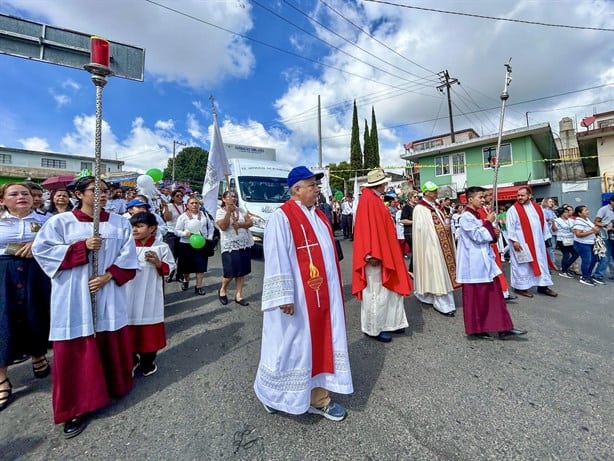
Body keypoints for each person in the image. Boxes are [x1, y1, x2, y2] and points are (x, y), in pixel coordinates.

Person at [32, 176, 138, 438]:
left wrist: (109, 276)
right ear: (79, 194)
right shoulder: (60, 222)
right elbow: (42, 250)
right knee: (77, 345)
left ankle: (114, 386)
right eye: (95, 190)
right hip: (73, 294)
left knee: (109, 336)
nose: (102, 195)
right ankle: (77, 406)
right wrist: (81, 247)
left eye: (106, 191)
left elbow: (129, 254)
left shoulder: (119, 222)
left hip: (108, 290)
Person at [254, 166, 352, 422]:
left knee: (319, 345)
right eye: (312, 185)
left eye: (317, 185)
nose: (317, 189)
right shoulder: (282, 217)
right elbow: (275, 257)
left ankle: (319, 398)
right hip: (295, 299)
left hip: (321, 298)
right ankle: (272, 394)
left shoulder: (319, 216)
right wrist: (283, 295)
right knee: (289, 348)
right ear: (297, 189)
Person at [0, 183, 52, 411]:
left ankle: (38, 355)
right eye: (14, 194)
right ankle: (2, 376)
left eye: (26, 193)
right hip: (4, 274)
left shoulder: (48, 221)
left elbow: (58, 242)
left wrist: (37, 244)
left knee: (36, 314)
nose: (22, 197)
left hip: (38, 272)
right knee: (3, 321)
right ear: (2, 200)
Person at [456, 186, 527, 340]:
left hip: (484, 262)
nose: (483, 200)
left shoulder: (477, 216)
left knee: (495, 296)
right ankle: (477, 329)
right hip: (473, 264)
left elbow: (486, 234)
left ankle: (503, 327)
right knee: (476, 299)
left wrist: (493, 231)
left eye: (484, 197)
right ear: (470, 199)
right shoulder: (465, 217)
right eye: (480, 197)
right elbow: (477, 236)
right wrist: (488, 224)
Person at [352, 168, 411, 343]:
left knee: (389, 291)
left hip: (385, 251)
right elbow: (364, 230)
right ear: (379, 184)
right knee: (375, 291)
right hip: (375, 255)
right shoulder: (368, 200)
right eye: (384, 182)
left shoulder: (375, 199)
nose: (386, 185)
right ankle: (373, 328)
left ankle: (391, 323)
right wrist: (370, 253)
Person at [126, 212, 175, 377]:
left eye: (139, 226)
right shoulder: (126, 246)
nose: (135, 230)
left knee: (149, 331)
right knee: (127, 329)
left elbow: (171, 268)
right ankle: (131, 360)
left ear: (152, 228)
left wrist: (158, 263)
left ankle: (148, 361)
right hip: (128, 295)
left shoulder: (161, 247)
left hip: (150, 296)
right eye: (133, 226)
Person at [412, 181, 459, 316]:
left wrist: (446, 227)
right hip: (431, 246)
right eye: (432, 191)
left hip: (442, 244)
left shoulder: (436, 206)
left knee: (442, 272)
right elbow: (421, 230)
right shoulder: (420, 209)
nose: (435, 193)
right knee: (437, 272)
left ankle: (443, 300)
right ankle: (442, 304)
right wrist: (439, 230)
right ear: (425, 192)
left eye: (436, 190)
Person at [505, 186, 557, 298]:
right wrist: (514, 241)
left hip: (538, 243)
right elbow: (510, 227)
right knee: (523, 266)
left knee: (541, 263)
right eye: (518, 195)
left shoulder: (537, 208)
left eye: (522, 195)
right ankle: (520, 287)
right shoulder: (513, 210)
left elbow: (543, 224)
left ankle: (543, 286)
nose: (519, 197)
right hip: (521, 243)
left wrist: (545, 238)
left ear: (529, 196)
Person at [215, 190, 254, 306]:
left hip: (244, 244)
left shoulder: (241, 210)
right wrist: (228, 212)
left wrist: (240, 225)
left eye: (235, 196)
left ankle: (239, 295)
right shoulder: (220, 212)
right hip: (230, 246)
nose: (234, 198)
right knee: (230, 273)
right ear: (224, 199)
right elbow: (223, 226)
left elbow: (250, 223)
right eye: (230, 196)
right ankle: (222, 289)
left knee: (242, 272)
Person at [174, 196, 215, 295]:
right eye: (192, 203)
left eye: (196, 203)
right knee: (186, 267)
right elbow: (176, 231)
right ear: (187, 205)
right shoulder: (183, 216)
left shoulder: (204, 215)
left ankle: (199, 286)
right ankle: (185, 280)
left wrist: (209, 237)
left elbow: (211, 228)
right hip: (186, 245)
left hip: (202, 244)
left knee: (200, 266)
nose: (194, 205)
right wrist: (184, 234)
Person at [571, 205, 602, 286]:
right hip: (582, 244)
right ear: (580, 213)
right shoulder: (578, 221)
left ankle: (588, 275)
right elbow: (578, 234)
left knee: (594, 259)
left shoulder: (587, 219)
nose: (588, 211)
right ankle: (584, 277)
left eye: (587, 209)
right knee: (587, 261)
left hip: (590, 243)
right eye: (585, 210)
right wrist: (592, 231)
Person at [162, 189, 185, 282]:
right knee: (172, 254)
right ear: (173, 197)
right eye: (177, 196)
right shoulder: (169, 206)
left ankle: (179, 275)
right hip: (172, 233)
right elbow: (167, 218)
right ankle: (170, 274)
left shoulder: (185, 206)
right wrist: (166, 208)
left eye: (181, 196)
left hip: (183, 233)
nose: (180, 197)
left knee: (182, 256)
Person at [593, 196, 614, 281]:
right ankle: (598, 275)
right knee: (605, 256)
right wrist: (606, 225)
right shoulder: (604, 209)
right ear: (612, 201)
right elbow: (596, 222)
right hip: (606, 235)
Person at [554, 206, 579, 278]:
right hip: (562, 240)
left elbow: (575, 228)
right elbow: (554, 230)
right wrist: (552, 223)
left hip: (571, 239)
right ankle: (564, 271)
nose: (568, 213)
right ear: (561, 213)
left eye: (568, 212)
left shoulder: (571, 220)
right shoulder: (557, 220)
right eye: (566, 212)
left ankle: (565, 267)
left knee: (575, 254)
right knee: (566, 254)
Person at [399, 190, 419, 274]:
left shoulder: (417, 207)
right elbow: (402, 220)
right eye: (415, 196)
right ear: (410, 198)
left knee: (417, 250)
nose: (417, 198)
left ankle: (414, 269)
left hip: (417, 231)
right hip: (409, 232)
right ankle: (411, 269)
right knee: (415, 249)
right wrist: (414, 222)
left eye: (417, 196)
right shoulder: (407, 207)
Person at [541, 197, 558, 270]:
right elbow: (543, 219)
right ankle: (552, 263)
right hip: (549, 232)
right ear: (545, 202)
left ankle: (550, 262)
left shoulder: (552, 211)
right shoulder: (544, 211)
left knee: (552, 248)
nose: (552, 203)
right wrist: (550, 220)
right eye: (550, 201)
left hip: (554, 232)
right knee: (551, 248)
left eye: (552, 202)